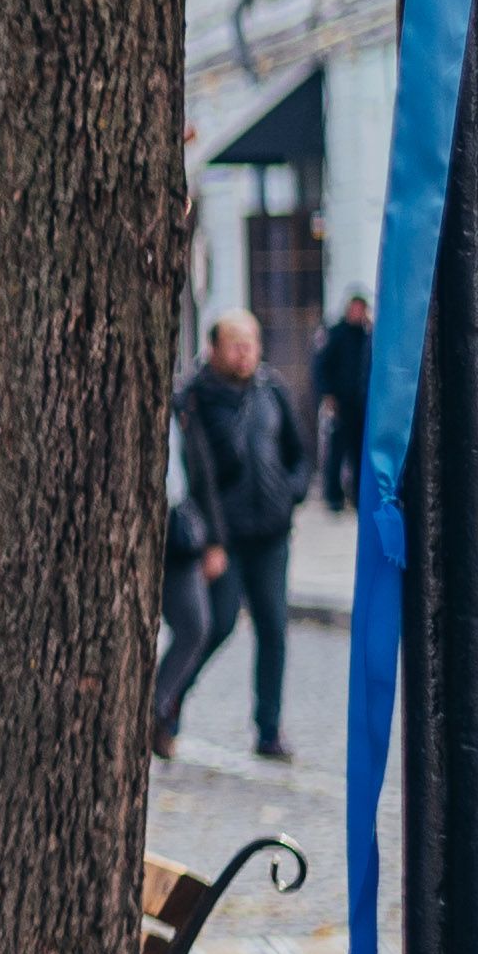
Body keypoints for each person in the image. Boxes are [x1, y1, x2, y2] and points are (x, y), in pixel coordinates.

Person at [156, 314, 311, 761]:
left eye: (251, 343)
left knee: (274, 629)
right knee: (214, 625)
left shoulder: (272, 392)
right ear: (214, 349)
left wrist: (290, 493)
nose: (245, 352)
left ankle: (268, 729)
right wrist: (211, 539)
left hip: (271, 534)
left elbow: (297, 455)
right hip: (225, 537)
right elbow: (198, 473)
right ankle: (168, 706)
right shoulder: (195, 399)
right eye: (235, 344)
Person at [310, 289, 376, 517]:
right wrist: (327, 394)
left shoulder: (367, 336)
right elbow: (321, 366)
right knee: (337, 451)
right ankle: (333, 496)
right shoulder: (336, 334)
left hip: (361, 404)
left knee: (359, 452)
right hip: (341, 403)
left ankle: (357, 495)